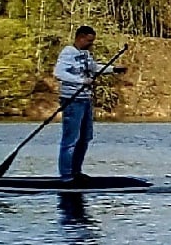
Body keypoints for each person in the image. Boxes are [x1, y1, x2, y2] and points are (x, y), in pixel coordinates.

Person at [53, 24, 123, 180]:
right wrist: (80, 81)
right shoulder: (68, 53)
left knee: (85, 138)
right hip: (72, 99)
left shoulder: (86, 54)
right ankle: (66, 174)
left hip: (86, 100)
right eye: (89, 41)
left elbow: (93, 68)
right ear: (80, 37)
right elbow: (59, 73)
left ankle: (76, 171)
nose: (91, 44)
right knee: (71, 139)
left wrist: (113, 69)